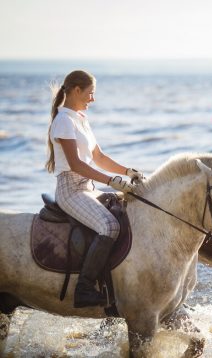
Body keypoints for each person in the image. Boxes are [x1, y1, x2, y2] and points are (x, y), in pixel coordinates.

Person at [45, 70, 144, 308]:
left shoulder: (80, 119)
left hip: (87, 187)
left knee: (127, 208)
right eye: (90, 93)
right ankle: (84, 289)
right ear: (77, 91)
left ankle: (114, 282)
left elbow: (98, 156)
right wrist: (111, 182)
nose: (93, 99)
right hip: (71, 191)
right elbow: (77, 164)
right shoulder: (63, 122)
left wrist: (127, 171)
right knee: (109, 226)